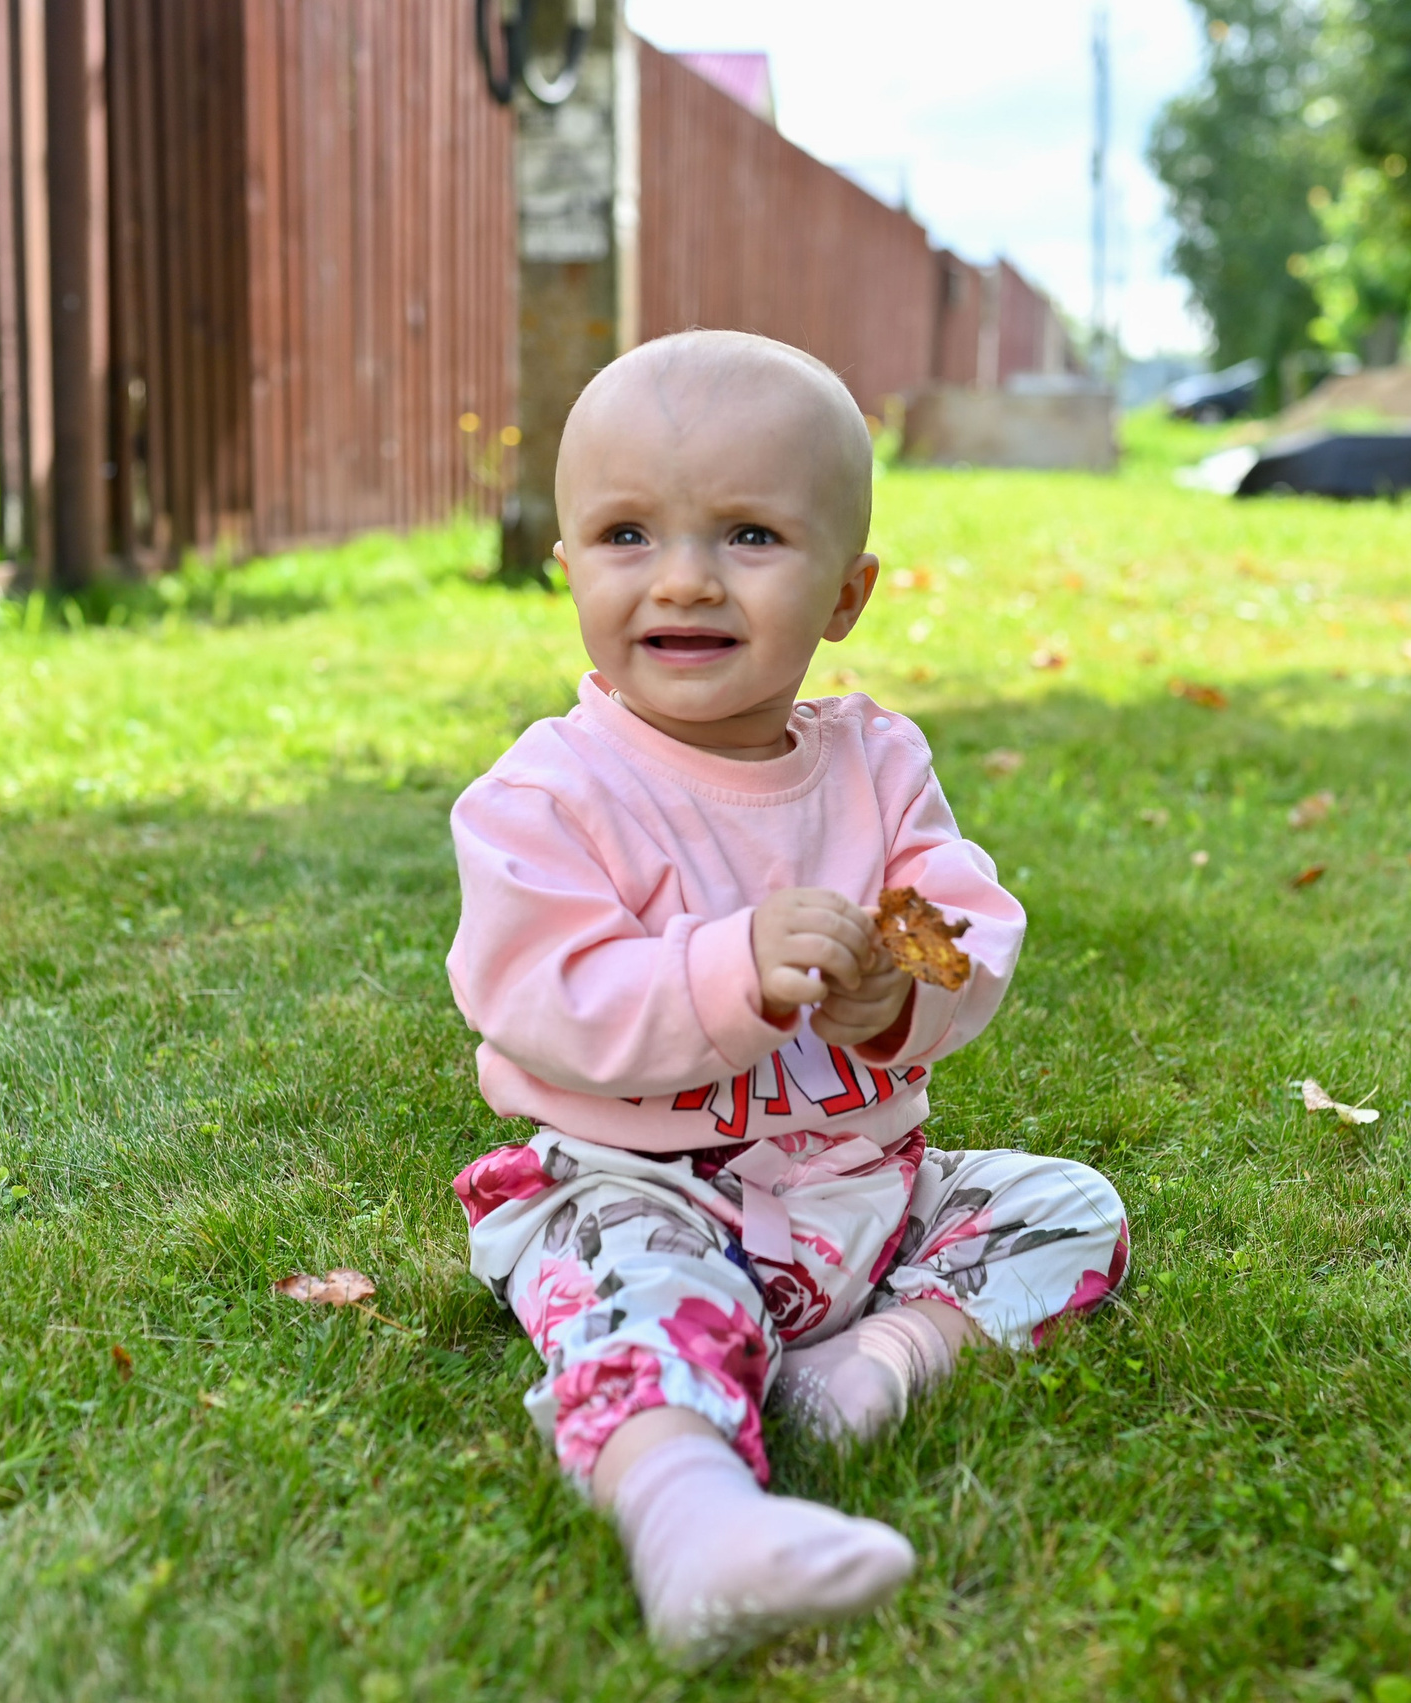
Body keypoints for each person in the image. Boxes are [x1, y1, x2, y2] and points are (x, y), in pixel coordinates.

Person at [444, 330, 1129, 1667]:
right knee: (631, 1304)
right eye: (628, 534)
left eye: (750, 536)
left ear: (846, 592)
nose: (685, 579)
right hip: (642, 1185)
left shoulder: (875, 765)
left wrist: (895, 984)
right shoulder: (549, 794)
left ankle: (867, 1372)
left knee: (1069, 1210)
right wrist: (727, 968)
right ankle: (692, 1521)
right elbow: (542, 990)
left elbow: (966, 929)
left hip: (862, 1200)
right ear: (566, 565)